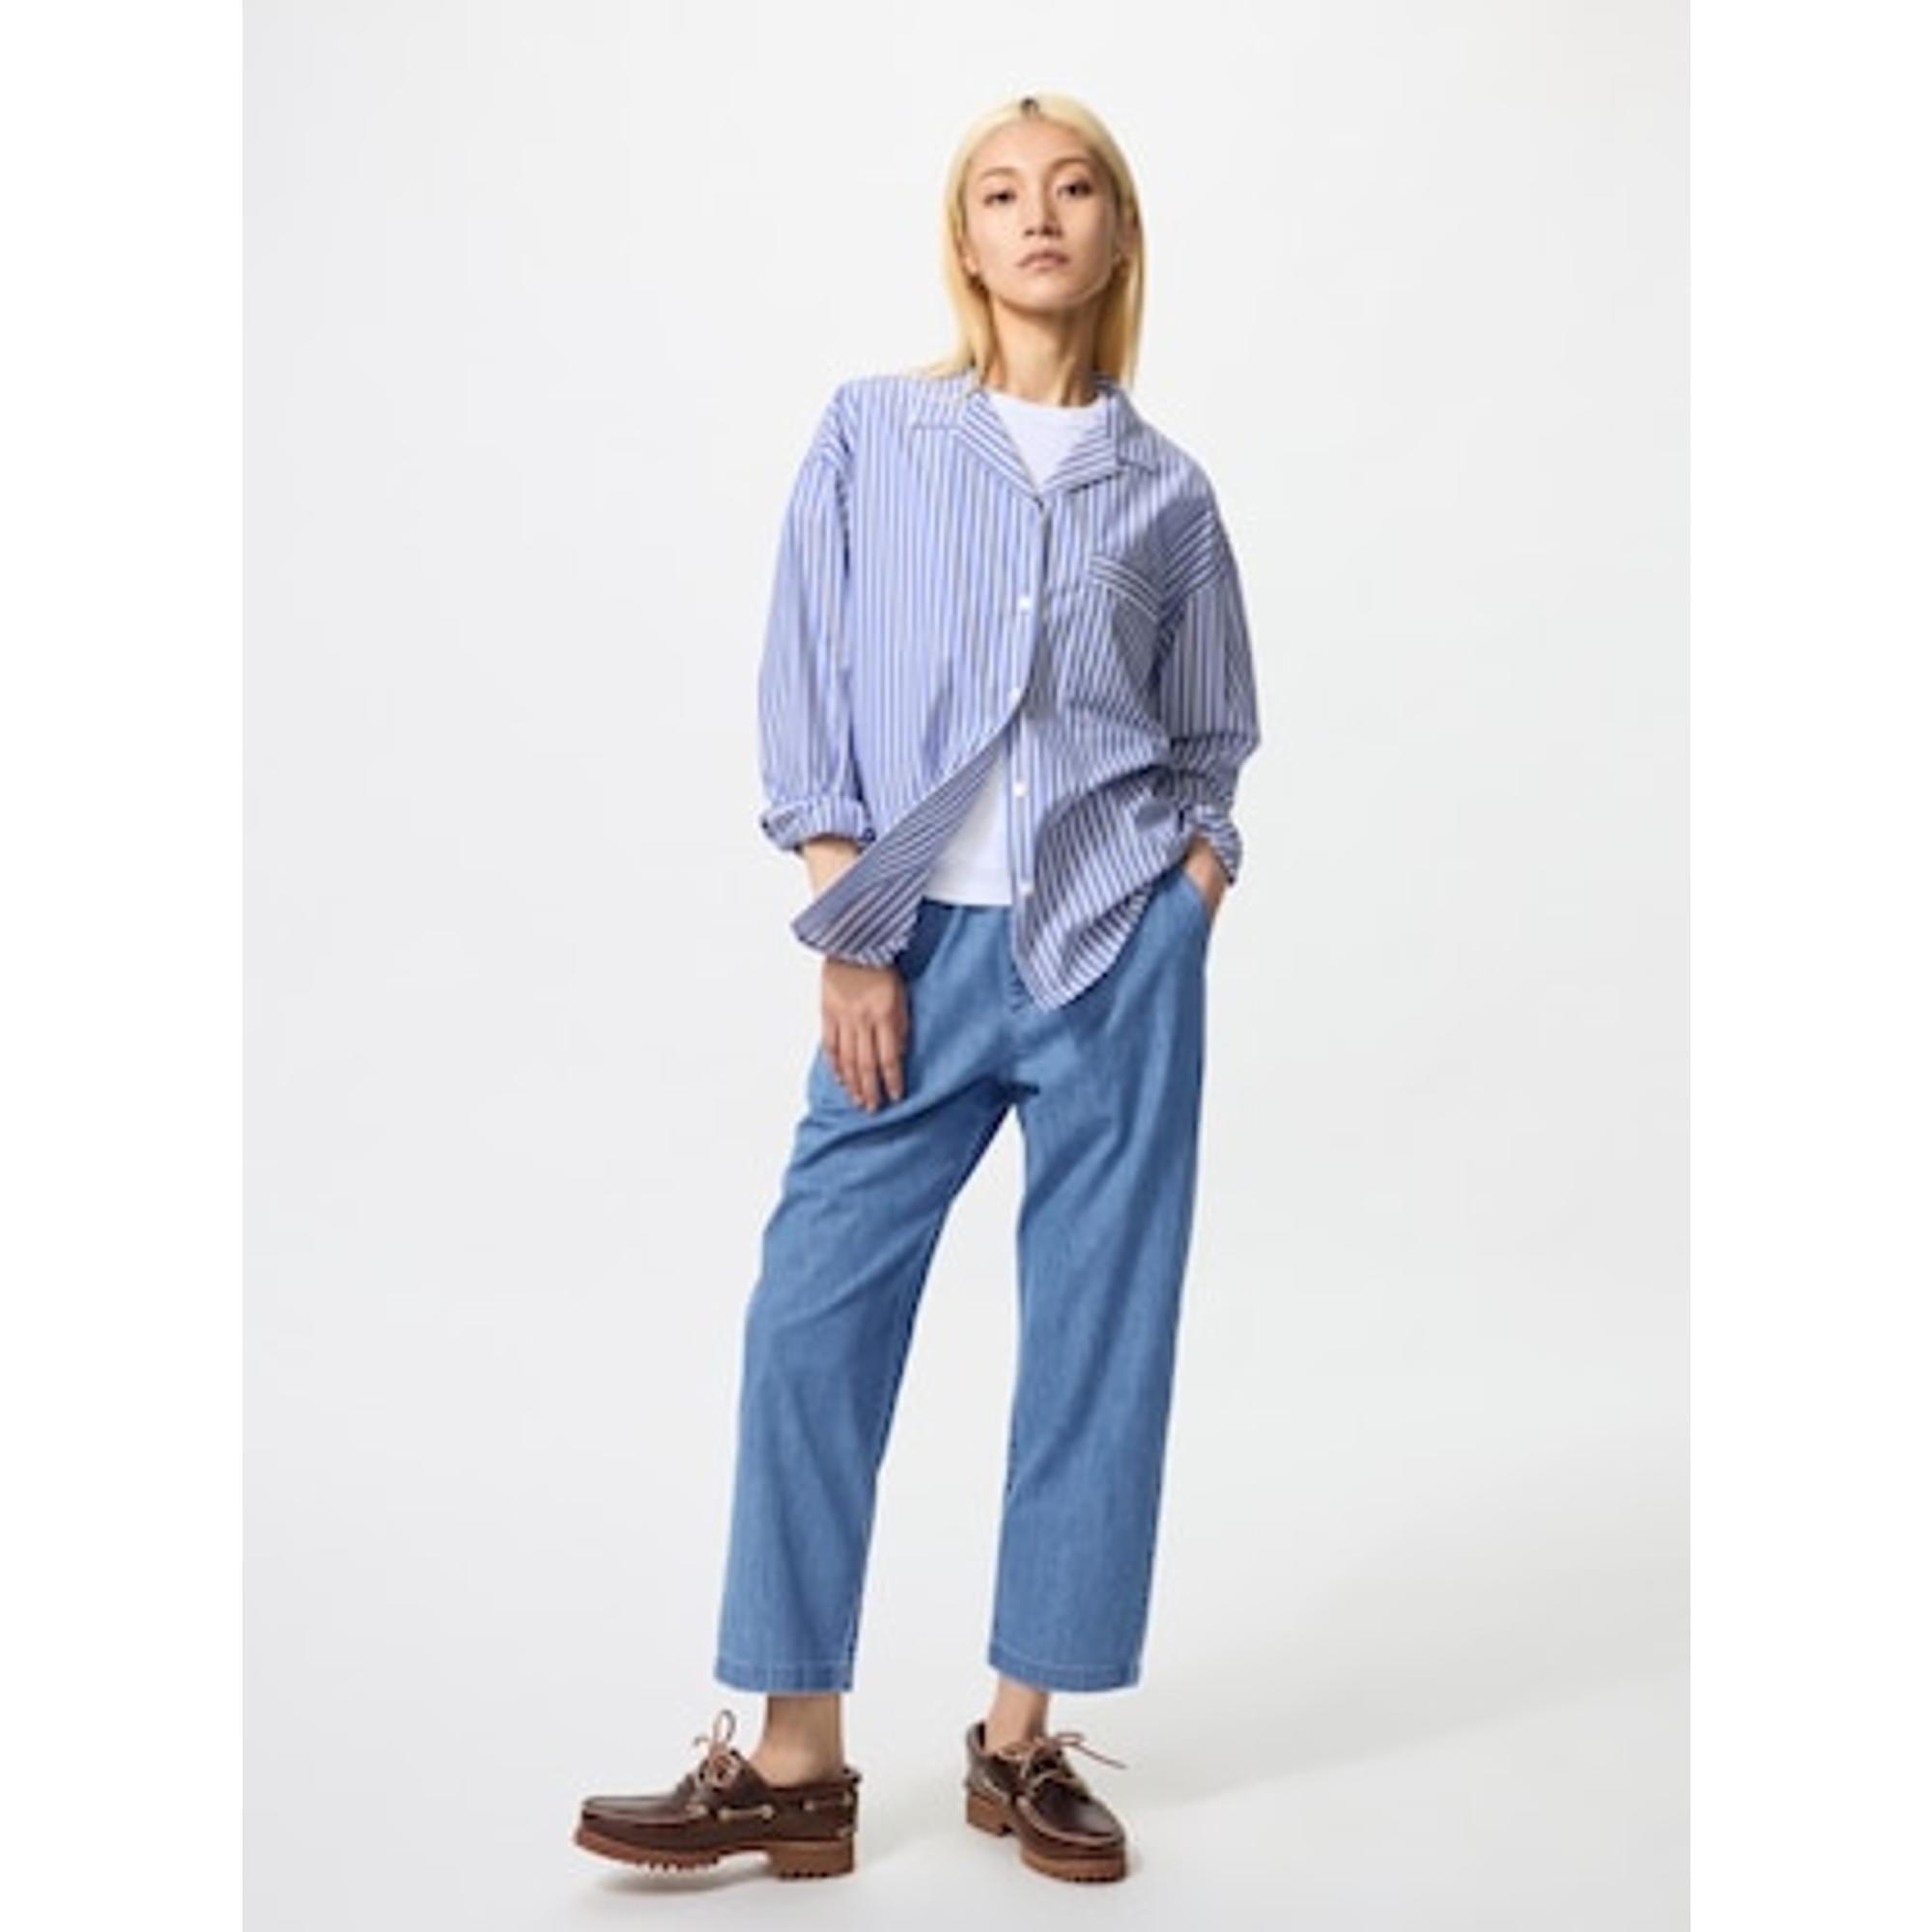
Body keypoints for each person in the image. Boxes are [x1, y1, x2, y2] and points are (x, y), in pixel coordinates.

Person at [575, 89, 1262, 1887]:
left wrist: (1188, 898)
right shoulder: (874, 436)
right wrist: (849, 930)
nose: (1040, 215)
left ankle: (1022, 1741)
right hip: (910, 955)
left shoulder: (1169, 493)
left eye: (1075, 188)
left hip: (1113, 955)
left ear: (1116, 233)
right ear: (963, 240)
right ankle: (794, 1760)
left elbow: (1214, 737)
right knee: (810, 1318)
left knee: (1098, 1341)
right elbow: (805, 681)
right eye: (1002, 192)